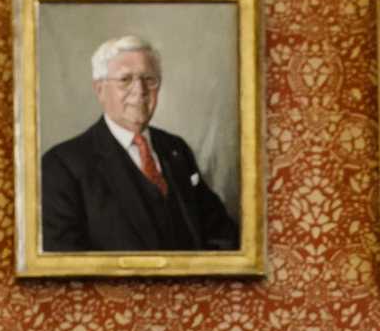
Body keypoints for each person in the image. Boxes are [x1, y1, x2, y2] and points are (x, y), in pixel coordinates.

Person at [41, 36, 241, 253]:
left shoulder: (176, 149)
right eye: (125, 79)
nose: (140, 91)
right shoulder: (62, 165)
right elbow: (64, 260)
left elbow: (221, 233)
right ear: (100, 89)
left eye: (149, 79)